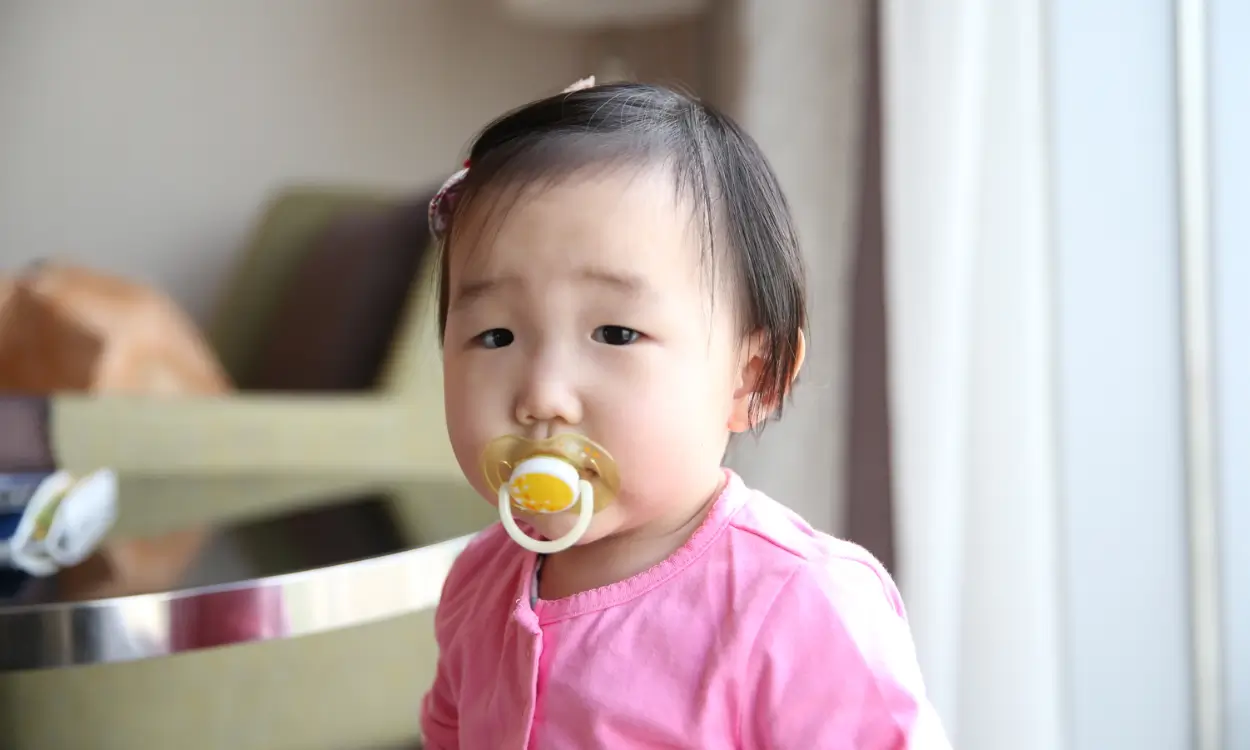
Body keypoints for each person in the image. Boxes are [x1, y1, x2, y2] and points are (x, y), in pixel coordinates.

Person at [420, 78, 950, 749]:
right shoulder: (480, 582)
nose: (543, 395)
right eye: (496, 336)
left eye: (614, 333)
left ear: (750, 378)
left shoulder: (798, 602)